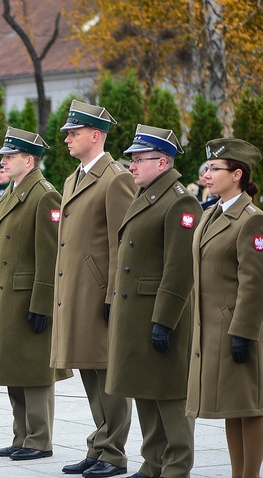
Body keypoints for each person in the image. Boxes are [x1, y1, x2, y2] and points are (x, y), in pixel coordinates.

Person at [105, 125, 201, 478]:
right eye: (130, 158)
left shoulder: (180, 200)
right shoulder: (147, 193)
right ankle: (153, 461)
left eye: (138, 159)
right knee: (143, 388)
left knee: (170, 394)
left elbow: (179, 269)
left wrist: (165, 320)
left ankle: (176, 466)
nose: (131, 165)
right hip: (136, 313)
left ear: (162, 161)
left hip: (162, 314)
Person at [50, 100, 137, 478]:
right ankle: (98, 445)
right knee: (88, 367)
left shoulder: (115, 177)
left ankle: (113, 452)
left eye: (74, 132)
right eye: (68, 132)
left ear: (96, 135)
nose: (67, 138)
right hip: (76, 291)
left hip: (99, 290)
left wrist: (112, 294)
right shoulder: (75, 177)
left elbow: (124, 242)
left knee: (106, 371)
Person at [0, 127, 71, 459]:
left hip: (28, 297)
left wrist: (43, 303)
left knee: (33, 372)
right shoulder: (11, 191)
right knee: (13, 368)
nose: (3, 161)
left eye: (10, 156)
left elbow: (50, 255)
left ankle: (40, 438)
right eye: (3, 156)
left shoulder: (44, 194)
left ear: (29, 160)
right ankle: (21, 436)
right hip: (8, 296)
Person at [186, 138, 263, 478]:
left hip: (240, 330)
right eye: (208, 168)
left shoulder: (251, 220)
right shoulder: (211, 213)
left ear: (236, 174)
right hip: (214, 329)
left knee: (252, 408)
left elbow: (254, 282)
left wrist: (243, 333)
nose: (207, 174)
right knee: (234, 407)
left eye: (215, 169)